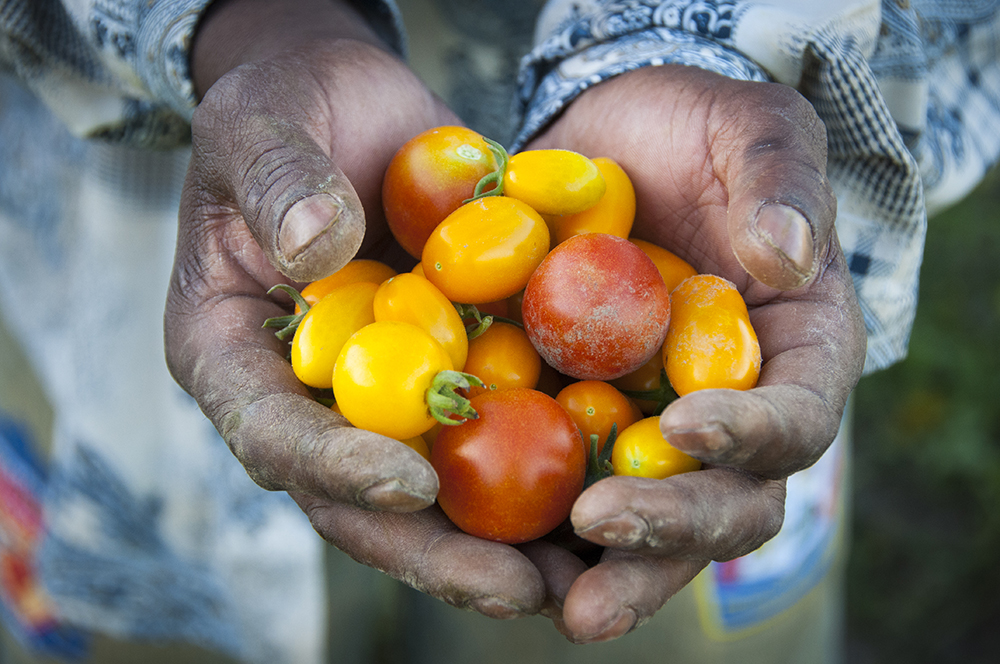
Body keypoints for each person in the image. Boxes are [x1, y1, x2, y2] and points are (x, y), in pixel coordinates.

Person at [0, 0, 997, 663]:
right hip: (132, 222)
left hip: (687, 203)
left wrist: (704, 43)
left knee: (656, 574)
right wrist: (254, 18)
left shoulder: (619, 303)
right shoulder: (461, 302)